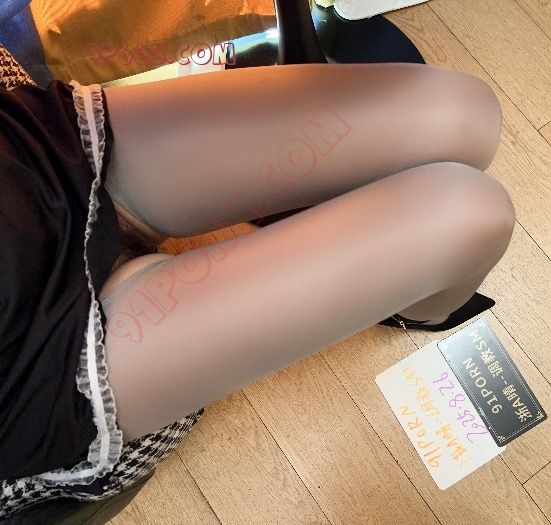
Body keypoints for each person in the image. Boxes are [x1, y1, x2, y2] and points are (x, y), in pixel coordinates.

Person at [0, 42, 514, 518]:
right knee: (472, 215)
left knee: (466, 113)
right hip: (45, 368)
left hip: (43, 161)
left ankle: (396, 268)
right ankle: (422, 310)